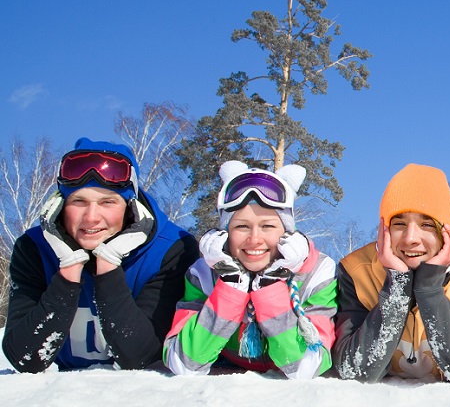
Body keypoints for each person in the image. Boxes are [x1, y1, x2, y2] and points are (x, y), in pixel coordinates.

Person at [4, 138, 198, 372]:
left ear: (131, 207)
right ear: (60, 205)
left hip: (146, 397)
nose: (91, 217)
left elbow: (139, 356)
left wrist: (107, 264)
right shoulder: (34, 249)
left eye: (108, 202)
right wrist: (69, 270)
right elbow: (25, 359)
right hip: (64, 398)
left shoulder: (171, 249)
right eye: (79, 201)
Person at [164, 162, 337, 378]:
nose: (254, 239)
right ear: (225, 232)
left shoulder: (316, 272)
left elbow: (307, 369)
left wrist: (270, 288)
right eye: (242, 226)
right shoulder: (204, 273)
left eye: (267, 226)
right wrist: (230, 287)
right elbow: (183, 364)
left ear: (287, 232)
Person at [333, 164, 450, 383]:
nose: (410, 238)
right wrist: (397, 286)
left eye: (427, 224)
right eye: (399, 223)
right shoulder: (356, 272)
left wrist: (429, 289)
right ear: (384, 229)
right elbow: (355, 372)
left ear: (448, 232)